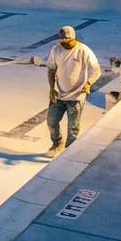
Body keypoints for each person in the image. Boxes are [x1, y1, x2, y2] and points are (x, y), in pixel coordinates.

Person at [46, 25, 101, 158]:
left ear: (73, 39)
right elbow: (51, 70)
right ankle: (57, 142)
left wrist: (88, 83)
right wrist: (51, 88)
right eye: (62, 42)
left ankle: (69, 153)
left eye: (67, 42)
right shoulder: (56, 50)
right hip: (59, 94)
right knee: (52, 122)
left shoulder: (83, 50)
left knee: (73, 127)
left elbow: (97, 70)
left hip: (76, 96)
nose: (64, 45)